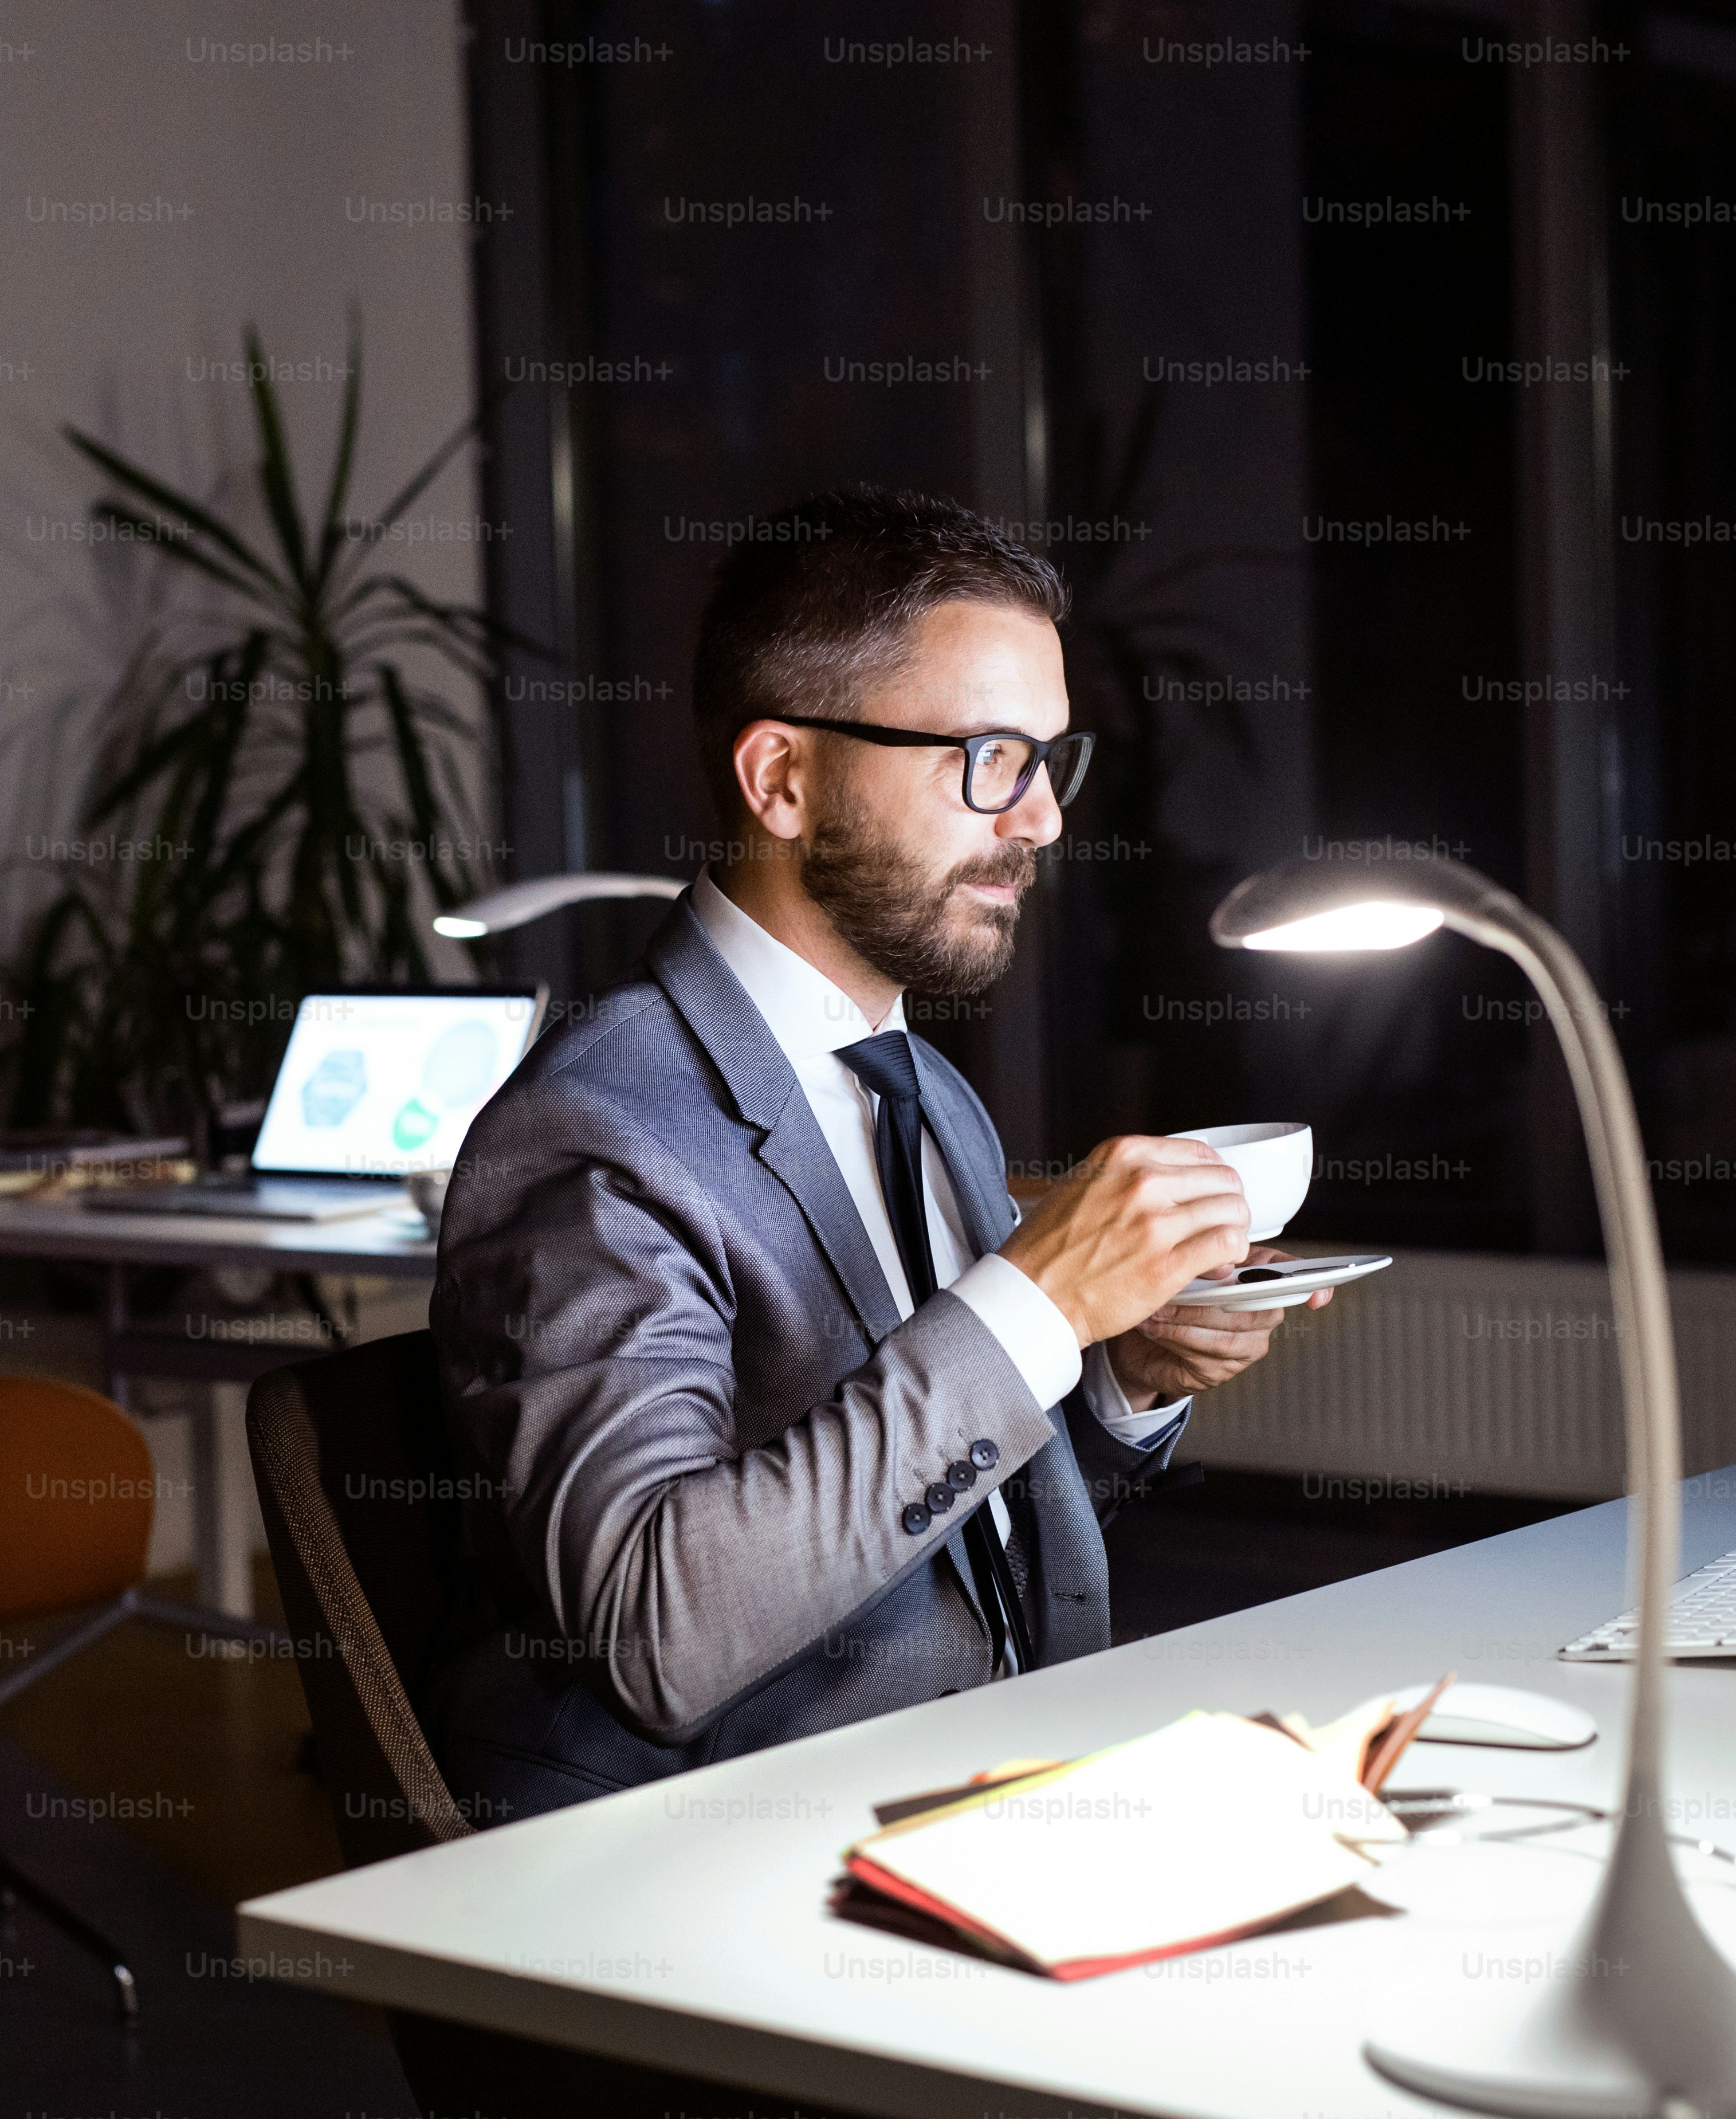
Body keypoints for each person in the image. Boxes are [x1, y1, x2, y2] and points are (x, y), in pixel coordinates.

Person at [423, 485, 1317, 1823]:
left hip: (993, 1788)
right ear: (782, 777)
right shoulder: (596, 1131)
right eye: (989, 758)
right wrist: (1037, 1303)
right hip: (731, 1852)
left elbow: (959, 1517)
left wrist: (1120, 1371)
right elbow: (657, 1624)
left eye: (1049, 763)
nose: (1040, 823)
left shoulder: (923, 1090)